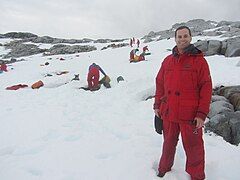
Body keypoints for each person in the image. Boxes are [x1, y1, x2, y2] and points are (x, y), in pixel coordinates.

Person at [153, 26, 212, 180]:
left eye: (185, 36)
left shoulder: (200, 62)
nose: (182, 39)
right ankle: (163, 168)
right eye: (179, 36)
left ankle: (197, 176)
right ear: (175, 39)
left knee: (194, 148)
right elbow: (160, 84)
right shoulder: (167, 61)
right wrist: (157, 105)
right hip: (169, 111)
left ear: (190, 38)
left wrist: (201, 114)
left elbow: (206, 88)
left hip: (190, 115)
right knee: (168, 143)